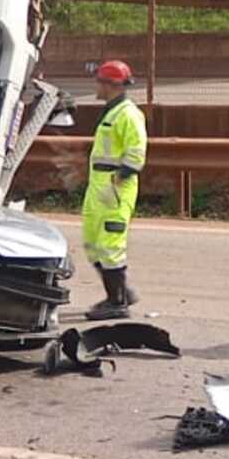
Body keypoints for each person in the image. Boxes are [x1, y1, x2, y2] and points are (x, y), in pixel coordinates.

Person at [81, 58, 148, 318]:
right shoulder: (113, 111)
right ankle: (121, 293)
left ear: (110, 85)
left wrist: (119, 179)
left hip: (115, 187)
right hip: (100, 185)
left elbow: (136, 152)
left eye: (99, 81)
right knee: (93, 244)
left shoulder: (128, 114)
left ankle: (117, 302)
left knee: (110, 244)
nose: (96, 86)